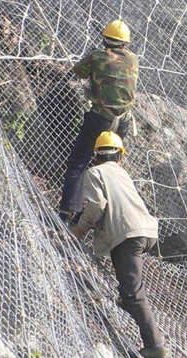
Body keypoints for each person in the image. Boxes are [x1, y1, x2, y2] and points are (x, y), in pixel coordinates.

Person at [70, 131, 167, 358]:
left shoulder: (94, 172)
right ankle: (127, 304)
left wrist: (79, 230)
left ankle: (155, 346)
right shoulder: (122, 173)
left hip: (127, 236)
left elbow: (97, 205)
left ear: (96, 157)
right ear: (119, 157)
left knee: (133, 292)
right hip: (143, 230)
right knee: (127, 289)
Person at [60, 19, 139, 223]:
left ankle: (68, 214)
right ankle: (109, 218)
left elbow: (77, 72)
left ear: (105, 40)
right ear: (124, 44)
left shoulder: (97, 56)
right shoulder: (133, 59)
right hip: (123, 122)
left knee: (79, 163)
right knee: (111, 169)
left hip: (99, 119)